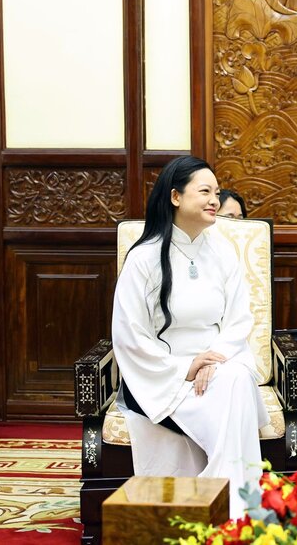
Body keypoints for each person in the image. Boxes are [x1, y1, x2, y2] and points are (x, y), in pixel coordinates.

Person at [111, 155, 269, 519]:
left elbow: (239, 319)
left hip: (219, 367)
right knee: (235, 387)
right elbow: (129, 335)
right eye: (205, 192)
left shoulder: (223, 253)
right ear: (175, 197)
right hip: (163, 376)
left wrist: (212, 359)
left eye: (216, 192)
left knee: (236, 378)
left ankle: (225, 503)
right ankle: (239, 508)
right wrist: (186, 366)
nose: (215, 200)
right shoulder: (144, 258)